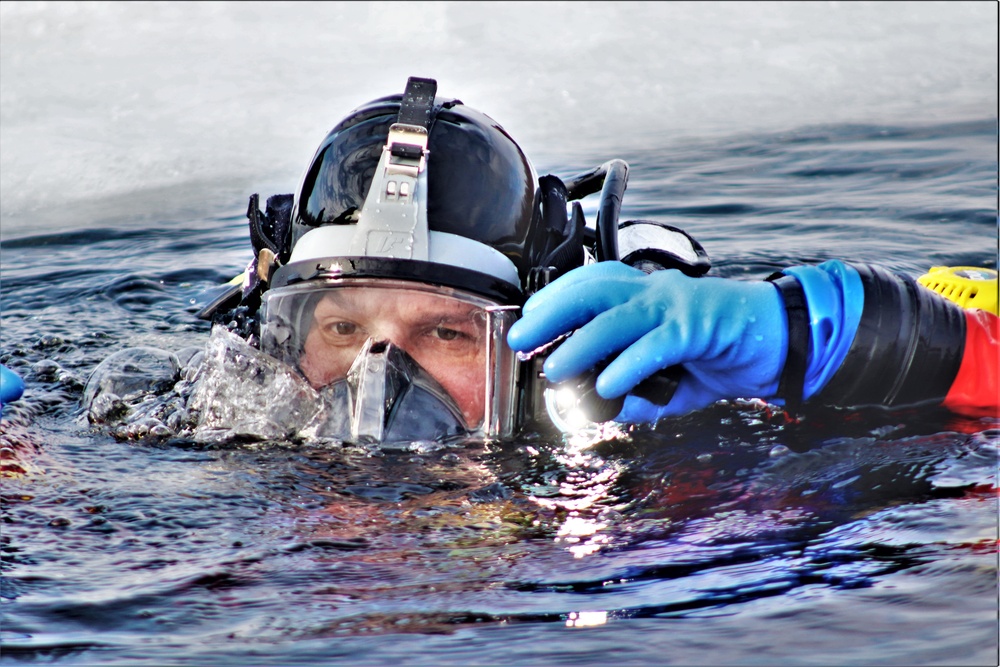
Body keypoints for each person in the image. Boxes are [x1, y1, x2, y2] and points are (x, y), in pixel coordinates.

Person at [194, 76, 996, 444]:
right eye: (339, 327)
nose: (380, 386)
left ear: (536, 356)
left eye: (447, 332)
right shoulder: (207, 456)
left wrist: (799, 336)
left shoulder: (613, 491)